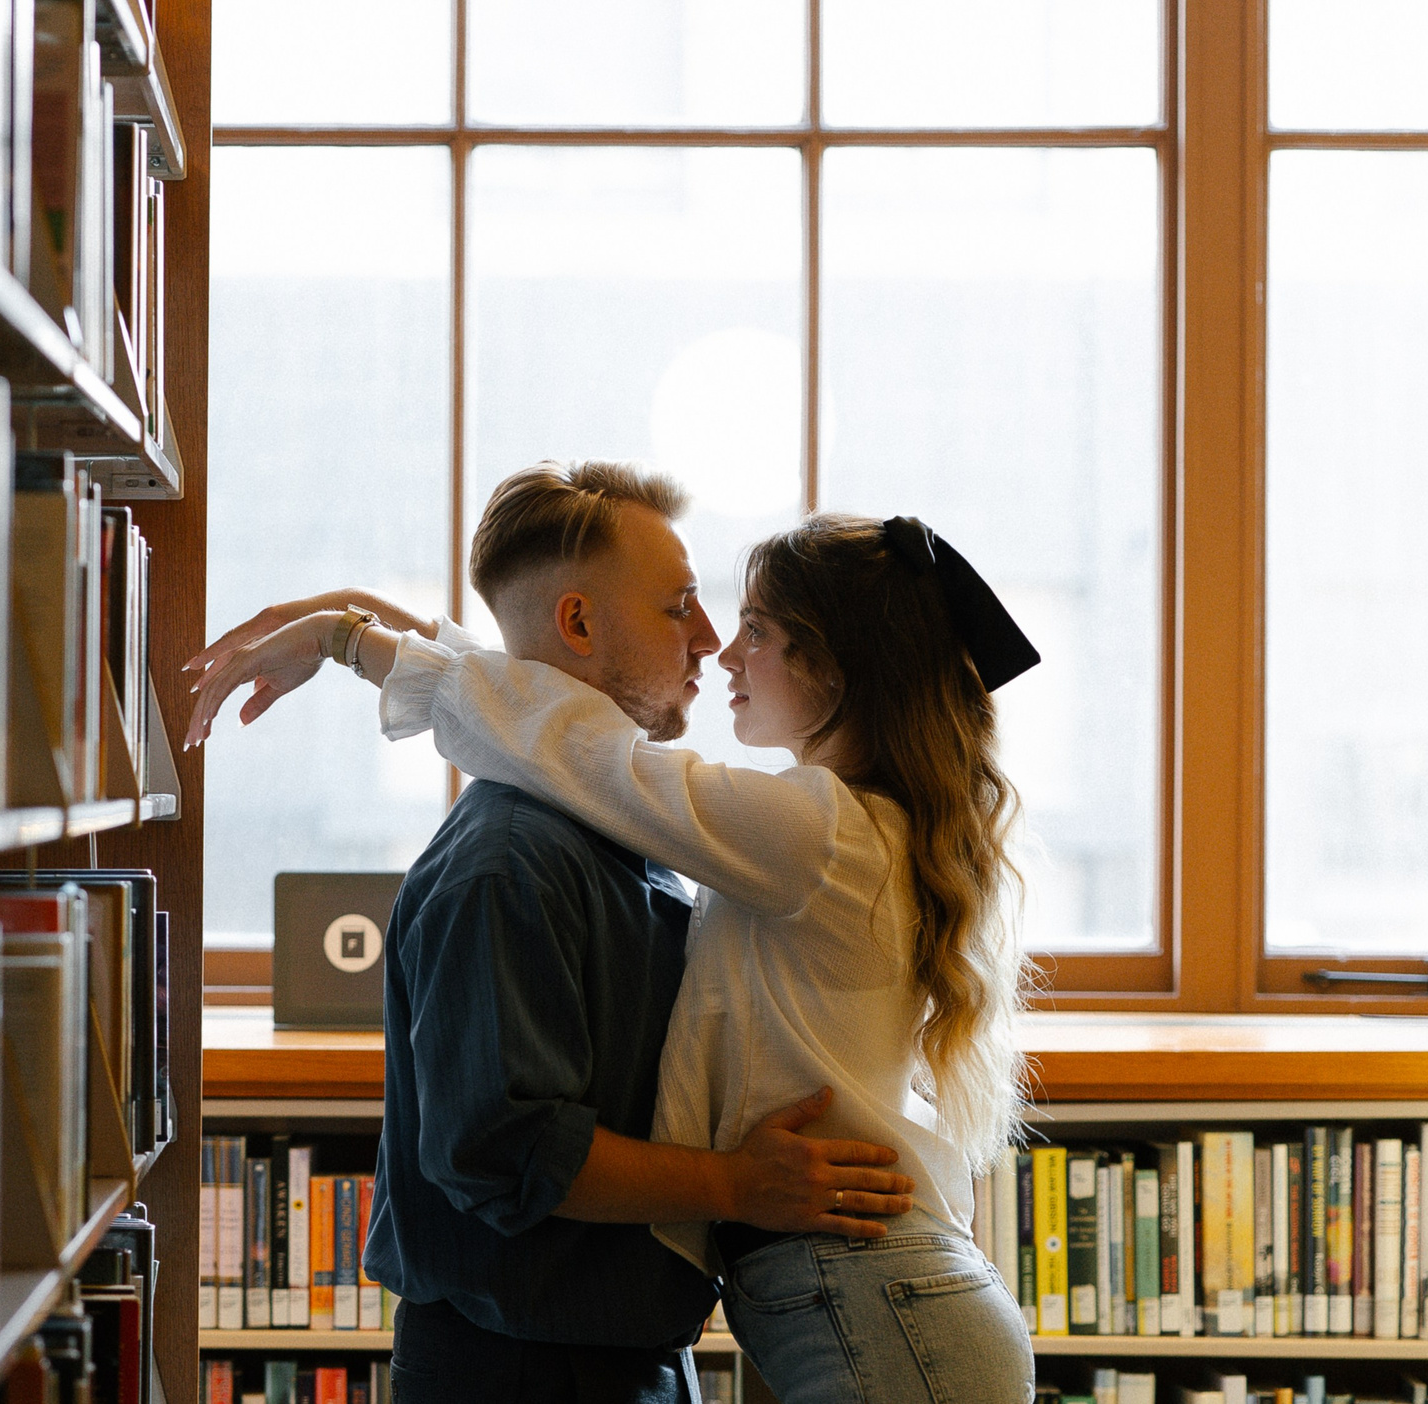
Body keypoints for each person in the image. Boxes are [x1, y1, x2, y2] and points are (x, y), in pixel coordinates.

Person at [185, 461, 1039, 1404]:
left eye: (752, 627)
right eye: (686, 607)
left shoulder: (799, 831)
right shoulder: (526, 856)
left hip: (850, 1305)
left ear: (836, 669)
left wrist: (357, 636)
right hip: (548, 1361)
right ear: (583, 624)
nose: (715, 646)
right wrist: (358, 631)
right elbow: (569, 742)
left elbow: (583, 749)